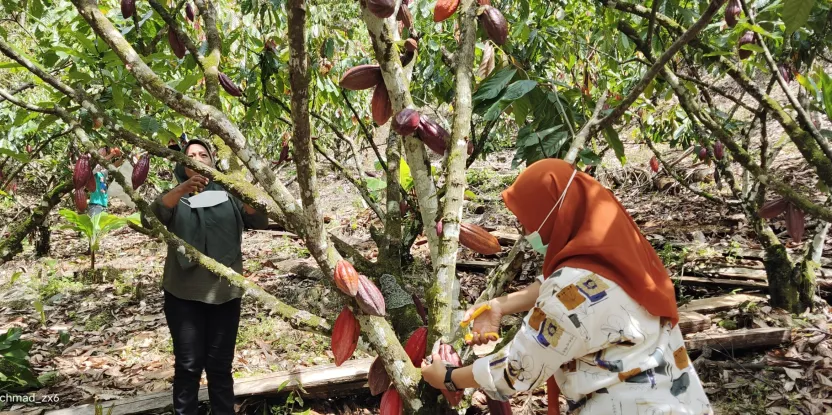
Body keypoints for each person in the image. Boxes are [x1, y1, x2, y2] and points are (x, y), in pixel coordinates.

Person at [420, 159, 712, 415]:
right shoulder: (623, 254)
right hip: (678, 397)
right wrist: (502, 304)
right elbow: (566, 285)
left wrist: (448, 377)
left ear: (552, 215)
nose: (526, 232)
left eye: (527, 222)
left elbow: (518, 369)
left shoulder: (568, 293)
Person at [141, 139, 268, 415]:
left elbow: (259, 221)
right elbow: (148, 220)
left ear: (212, 161)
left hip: (225, 292)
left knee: (220, 367)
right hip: (183, 293)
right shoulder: (176, 195)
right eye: (191, 156)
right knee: (188, 366)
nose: (197, 158)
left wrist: (242, 192)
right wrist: (183, 189)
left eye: (203, 154)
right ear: (182, 164)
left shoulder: (228, 192)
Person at [88, 147, 124, 217]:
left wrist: (122, 158)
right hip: (95, 204)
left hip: (104, 204)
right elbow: (100, 161)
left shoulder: (103, 171)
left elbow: (113, 166)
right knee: (94, 226)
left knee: (102, 227)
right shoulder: (92, 170)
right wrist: (112, 154)